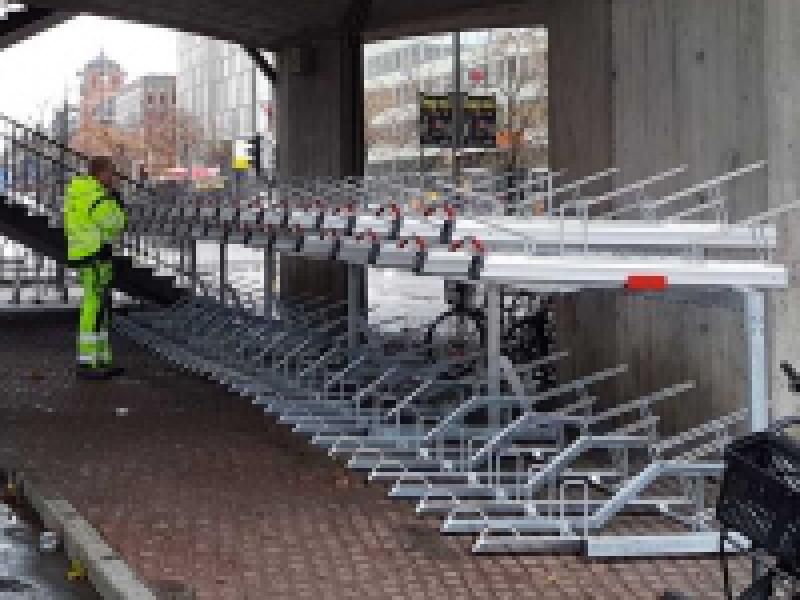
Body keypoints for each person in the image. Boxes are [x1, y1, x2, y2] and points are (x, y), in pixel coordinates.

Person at [63, 156, 127, 380]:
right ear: (101, 173)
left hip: (87, 255)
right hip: (95, 255)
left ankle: (100, 359)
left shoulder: (80, 192)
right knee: (95, 307)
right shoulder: (97, 196)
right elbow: (116, 223)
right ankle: (88, 363)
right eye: (112, 172)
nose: (114, 177)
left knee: (99, 306)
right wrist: (117, 201)